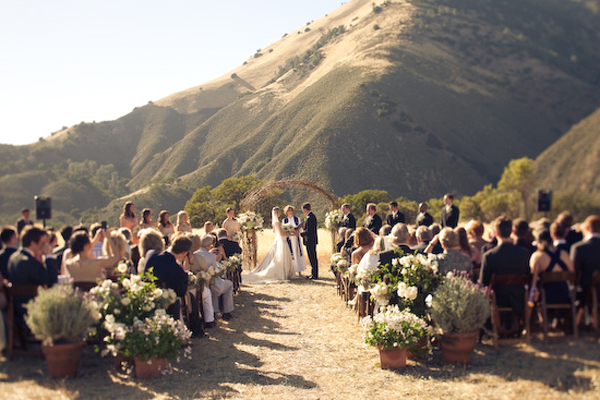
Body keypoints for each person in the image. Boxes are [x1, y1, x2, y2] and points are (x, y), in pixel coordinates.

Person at [479, 216, 530, 320]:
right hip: (519, 297)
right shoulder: (524, 253)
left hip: (498, 299)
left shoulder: (489, 256)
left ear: (496, 233)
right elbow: (529, 276)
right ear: (511, 232)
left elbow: (483, 283)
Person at [7, 226, 59, 323]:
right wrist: (49, 256)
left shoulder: (14, 258)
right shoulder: (29, 262)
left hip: (17, 308)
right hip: (33, 308)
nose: (45, 246)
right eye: (42, 243)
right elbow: (52, 282)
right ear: (32, 243)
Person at [141, 234, 191, 320]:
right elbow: (181, 292)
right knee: (176, 300)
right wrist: (185, 272)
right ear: (184, 253)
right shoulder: (177, 269)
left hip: (146, 300)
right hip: (167, 309)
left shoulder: (151, 254)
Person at [245, 207, 295, 284]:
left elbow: (274, 231)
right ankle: (283, 272)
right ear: (277, 213)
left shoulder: (274, 222)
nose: (280, 213)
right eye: (279, 212)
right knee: (281, 257)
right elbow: (281, 233)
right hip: (282, 240)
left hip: (277, 240)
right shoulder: (278, 223)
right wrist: (290, 234)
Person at [529, 228, 574, 306]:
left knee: (533, 300)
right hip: (564, 295)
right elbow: (573, 274)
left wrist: (531, 299)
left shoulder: (537, 256)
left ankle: (541, 318)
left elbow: (533, 281)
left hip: (546, 296)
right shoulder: (564, 254)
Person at [196, 234, 235, 320]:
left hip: (200, 283)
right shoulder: (211, 256)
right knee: (229, 284)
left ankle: (215, 309)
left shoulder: (195, 254)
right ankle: (227, 311)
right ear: (209, 245)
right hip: (212, 283)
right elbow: (218, 271)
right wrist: (217, 260)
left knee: (212, 286)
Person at [571, 215, 600, 324]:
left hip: (584, 291)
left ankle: (574, 323)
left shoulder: (578, 248)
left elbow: (573, 272)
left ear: (586, 228)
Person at [282, 205, 307, 277]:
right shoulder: (284, 220)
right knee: (290, 254)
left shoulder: (297, 219)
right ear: (286, 212)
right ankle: (291, 271)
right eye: (288, 210)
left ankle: (299, 270)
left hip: (296, 238)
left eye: (291, 210)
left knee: (297, 253)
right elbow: (284, 229)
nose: (290, 212)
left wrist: (297, 231)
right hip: (289, 238)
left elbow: (300, 228)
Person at [301, 203, 319, 280]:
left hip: (310, 240)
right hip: (312, 240)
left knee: (312, 257)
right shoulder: (311, 216)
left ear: (305, 209)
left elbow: (309, 231)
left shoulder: (310, 217)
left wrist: (300, 233)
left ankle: (314, 274)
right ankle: (313, 273)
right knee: (312, 257)